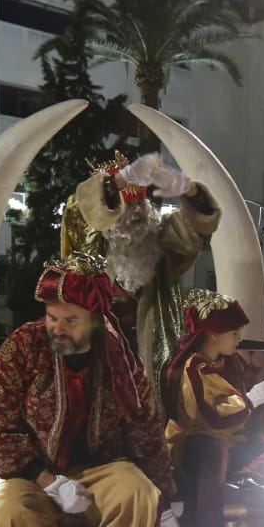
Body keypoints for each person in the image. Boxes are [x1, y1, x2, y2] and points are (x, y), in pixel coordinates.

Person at [0, 251, 174, 527]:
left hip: (101, 466)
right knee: (15, 517)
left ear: (96, 321)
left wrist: (165, 497)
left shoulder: (118, 356)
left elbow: (146, 426)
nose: (58, 328)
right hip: (30, 470)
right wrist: (47, 480)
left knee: (139, 495)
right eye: (53, 317)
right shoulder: (22, 347)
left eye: (71, 319)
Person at [61, 151, 224, 384]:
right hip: (99, 373)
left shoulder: (161, 247)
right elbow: (78, 211)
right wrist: (118, 181)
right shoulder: (91, 247)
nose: (138, 211)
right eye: (129, 204)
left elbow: (195, 232)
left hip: (151, 374)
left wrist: (190, 191)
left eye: (141, 203)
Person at [161, 288, 264, 527]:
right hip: (194, 443)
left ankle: (245, 478)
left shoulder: (230, 362)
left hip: (231, 438)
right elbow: (211, 416)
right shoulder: (193, 368)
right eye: (234, 332)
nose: (239, 339)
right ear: (214, 333)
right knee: (212, 451)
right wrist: (250, 400)